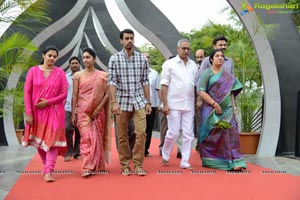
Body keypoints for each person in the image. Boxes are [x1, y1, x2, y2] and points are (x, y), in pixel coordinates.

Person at [108, 29, 151, 176]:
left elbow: (145, 81)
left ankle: (138, 165)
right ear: (121, 41)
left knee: (141, 133)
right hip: (121, 101)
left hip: (139, 101)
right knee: (122, 135)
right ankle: (125, 165)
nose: (129, 41)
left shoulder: (142, 59)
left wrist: (148, 102)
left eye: (131, 38)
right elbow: (111, 81)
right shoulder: (114, 59)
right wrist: (114, 102)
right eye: (126, 38)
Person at [23, 46, 68, 182]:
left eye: (55, 56)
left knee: (52, 142)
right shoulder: (33, 71)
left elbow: (64, 94)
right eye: (50, 55)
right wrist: (29, 113)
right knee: (39, 141)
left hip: (54, 112)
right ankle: (46, 167)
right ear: (43, 55)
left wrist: (48, 102)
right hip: (37, 113)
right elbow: (27, 92)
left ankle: (48, 171)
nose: (52, 58)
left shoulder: (60, 73)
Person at [198, 49, 246, 171]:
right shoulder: (206, 73)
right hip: (210, 109)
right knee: (211, 133)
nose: (220, 58)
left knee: (230, 133)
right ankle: (212, 160)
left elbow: (231, 94)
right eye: (217, 56)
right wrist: (214, 104)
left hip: (227, 108)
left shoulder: (227, 76)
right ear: (211, 59)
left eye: (222, 56)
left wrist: (234, 107)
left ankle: (235, 161)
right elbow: (201, 91)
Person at [71, 48, 111, 177]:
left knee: (97, 138)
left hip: (98, 112)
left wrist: (99, 108)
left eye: (88, 57)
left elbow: (107, 94)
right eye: (84, 57)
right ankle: (87, 167)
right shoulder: (77, 75)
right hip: (83, 111)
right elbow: (74, 96)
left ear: (94, 59)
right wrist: (73, 113)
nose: (86, 60)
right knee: (86, 137)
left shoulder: (103, 76)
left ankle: (97, 164)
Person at [160, 39, 197, 169]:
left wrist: (198, 100)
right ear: (177, 49)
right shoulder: (169, 64)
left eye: (188, 49)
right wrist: (164, 104)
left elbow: (195, 85)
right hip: (173, 104)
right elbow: (164, 85)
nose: (186, 51)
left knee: (188, 134)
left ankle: (185, 161)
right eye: (183, 48)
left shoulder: (193, 65)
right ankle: (165, 154)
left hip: (189, 104)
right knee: (173, 132)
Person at [64, 56, 81, 162]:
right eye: (72, 63)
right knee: (67, 129)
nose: (74, 65)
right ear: (69, 65)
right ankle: (68, 152)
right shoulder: (65, 77)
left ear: (79, 64)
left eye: (76, 63)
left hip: (81, 108)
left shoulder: (84, 75)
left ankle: (77, 152)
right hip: (68, 107)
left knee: (79, 131)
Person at [143, 52, 160, 157]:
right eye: (144, 57)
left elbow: (156, 90)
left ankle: (145, 149)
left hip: (152, 104)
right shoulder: (136, 71)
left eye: (148, 57)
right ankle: (137, 149)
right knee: (139, 128)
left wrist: (157, 104)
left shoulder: (154, 73)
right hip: (139, 105)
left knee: (149, 128)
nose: (146, 59)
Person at [194, 49, 205, 151]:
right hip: (194, 98)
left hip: (205, 98)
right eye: (197, 57)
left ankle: (201, 145)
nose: (199, 59)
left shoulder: (208, 68)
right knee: (198, 123)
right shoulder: (193, 68)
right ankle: (199, 145)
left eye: (201, 57)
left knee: (203, 122)